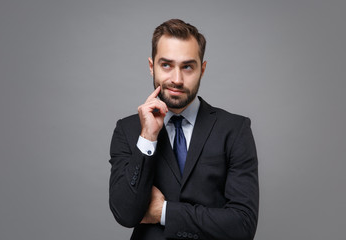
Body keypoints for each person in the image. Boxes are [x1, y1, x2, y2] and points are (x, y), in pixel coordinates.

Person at [109, 19, 259, 240]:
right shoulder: (128, 130)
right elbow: (125, 213)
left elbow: (243, 226)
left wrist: (164, 212)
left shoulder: (235, 130)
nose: (177, 80)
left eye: (187, 66)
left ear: (202, 69)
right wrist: (148, 137)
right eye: (166, 65)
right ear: (152, 67)